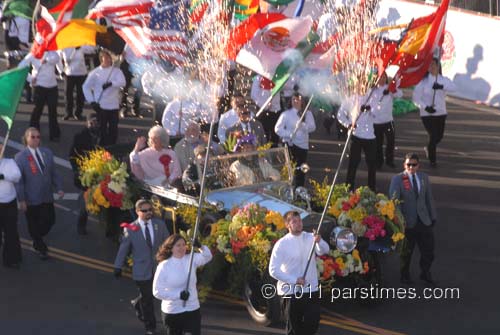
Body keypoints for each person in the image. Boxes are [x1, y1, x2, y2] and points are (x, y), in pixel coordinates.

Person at [114, 199, 170, 335]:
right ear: (137, 212)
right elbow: (123, 248)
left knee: (151, 296)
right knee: (148, 300)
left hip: (158, 269)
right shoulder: (131, 228)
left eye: (150, 210)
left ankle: (138, 303)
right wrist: (118, 266)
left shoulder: (160, 225)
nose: (148, 213)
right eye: (144, 211)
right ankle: (150, 328)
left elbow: (168, 243)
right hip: (141, 270)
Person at [269, 210, 329, 335]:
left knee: (312, 323)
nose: (299, 224)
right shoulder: (281, 244)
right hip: (290, 292)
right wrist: (294, 280)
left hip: (310, 289)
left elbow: (324, 250)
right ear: (287, 225)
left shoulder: (310, 237)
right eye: (294, 221)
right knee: (294, 328)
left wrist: (319, 241)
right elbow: (273, 270)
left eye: (300, 221)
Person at [14, 127, 64, 260]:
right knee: (33, 223)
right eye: (33, 137)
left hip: (46, 195)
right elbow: (20, 181)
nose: (36, 139)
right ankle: (40, 246)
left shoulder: (47, 152)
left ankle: (37, 238)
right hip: (31, 198)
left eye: (38, 137)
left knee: (50, 220)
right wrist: (22, 199)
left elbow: (54, 172)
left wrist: (59, 187)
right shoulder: (20, 157)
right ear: (26, 139)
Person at [389, 153, 437, 286]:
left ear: (418, 165)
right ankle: (404, 275)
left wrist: (433, 216)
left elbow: (428, 198)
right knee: (407, 252)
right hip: (408, 222)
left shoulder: (424, 178)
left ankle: (425, 273)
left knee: (429, 250)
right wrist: (399, 220)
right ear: (404, 165)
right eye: (408, 164)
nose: (411, 167)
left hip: (424, 220)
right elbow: (394, 202)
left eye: (414, 164)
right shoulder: (398, 179)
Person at [153, 234, 212, 335]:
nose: (182, 248)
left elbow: (208, 257)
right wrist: (178, 295)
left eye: (184, 245)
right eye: (178, 245)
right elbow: (157, 291)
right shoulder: (164, 266)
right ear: (171, 248)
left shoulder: (191, 258)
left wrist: (200, 246)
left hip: (192, 308)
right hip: (173, 311)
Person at [413, 57, 456, 167]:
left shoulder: (443, 80)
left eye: (434, 65)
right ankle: (433, 160)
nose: (432, 67)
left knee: (439, 136)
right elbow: (416, 99)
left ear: (438, 66)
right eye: (430, 65)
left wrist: (441, 86)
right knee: (433, 136)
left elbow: (453, 87)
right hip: (427, 114)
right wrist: (426, 107)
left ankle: (429, 148)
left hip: (441, 113)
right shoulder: (422, 82)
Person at [82, 49, 126, 145]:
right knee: (102, 129)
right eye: (105, 58)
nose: (108, 60)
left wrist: (112, 83)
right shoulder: (95, 72)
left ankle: (112, 147)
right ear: (101, 58)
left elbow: (123, 82)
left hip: (114, 105)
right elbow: (86, 87)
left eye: (109, 58)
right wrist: (92, 101)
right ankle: (102, 148)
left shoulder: (116, 71)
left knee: (113, 129)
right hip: (101, 105)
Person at [337, 88, 377, 191]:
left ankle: (371, 189)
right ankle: (349, 188)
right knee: (353, 162)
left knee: (372, 163)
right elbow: (340, 115)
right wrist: (349, 124)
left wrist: (370, 109)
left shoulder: (372, 98)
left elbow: (377, 115)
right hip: (355, 135)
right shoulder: (349, 99)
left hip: (370, 136)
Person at [68, 113, 101, 235]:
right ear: (86, 123)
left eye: (96, 122)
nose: (94, 125)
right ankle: (81, 225)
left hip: (102, 171)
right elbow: (72, 155)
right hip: (86, 174)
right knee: (86, 201)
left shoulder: (104, 135)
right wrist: (77, 170)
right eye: (91, 122)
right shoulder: (80, 137)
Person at [18, 50, 62, 141]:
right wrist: (30, 78)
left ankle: (54, 134)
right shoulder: (33, 54)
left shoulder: (52, 52)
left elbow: (57, 58)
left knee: (53, 111)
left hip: (52, 86)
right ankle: (32, 134)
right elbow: (20, 67)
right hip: (39, 86)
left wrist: (46, 60)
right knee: (37, 111)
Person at [275, 92, 316, 187]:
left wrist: (303, 125)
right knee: (289, 169)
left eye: (298, 99)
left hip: (302, 146)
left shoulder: (307, 113)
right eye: (294, 99)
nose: (296, 101)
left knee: (301, 171)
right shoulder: (286, 114)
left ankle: (299, 190)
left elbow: (313, 127)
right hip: (290, 145)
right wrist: (289, 134)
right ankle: (288, 188)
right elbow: (277, 128)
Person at [372, 72, 402, 169]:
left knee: (391, 141)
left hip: (388, 120)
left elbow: (400, 94)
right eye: (380, 77)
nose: (382, 79)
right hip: (376, 121)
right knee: (378, 143)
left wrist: (391, 91)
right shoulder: (372, 89)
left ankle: (389, 160)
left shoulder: (389, 88)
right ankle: (378, 162)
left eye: (384, 77)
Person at [58, 46, 96, 120]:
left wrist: (81, 47)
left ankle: (78, 113)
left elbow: (92, 50)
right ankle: (68, 113)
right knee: (68, 94)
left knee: (80, 94)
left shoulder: (81, 46)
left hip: (81, 73)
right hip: (69, 74)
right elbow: (58, 59)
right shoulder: (64, 47)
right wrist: (61, 70)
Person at [0, 143, 22, 268]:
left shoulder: (9, 163)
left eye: (0, 147)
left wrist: (3, 176)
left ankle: (11, 259)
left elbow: (17, 176)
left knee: (11, 232)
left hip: (9, 203)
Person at [251, 75, 282, 146]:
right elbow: (253, 95)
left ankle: (273, 152)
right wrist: (264, 105)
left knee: (275, 136)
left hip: (275, 110)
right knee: (264, 134)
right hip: (262, 110)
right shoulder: (258, 78)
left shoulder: (277, 75)